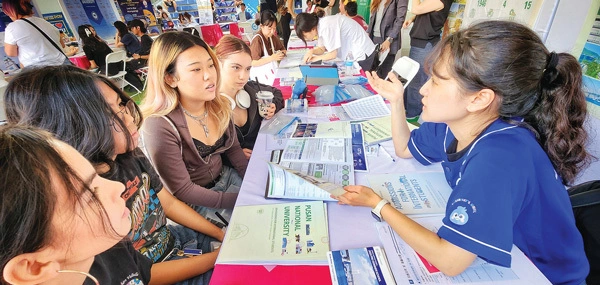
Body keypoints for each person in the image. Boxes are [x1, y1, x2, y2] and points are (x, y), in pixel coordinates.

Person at [337, 21, 590, 285]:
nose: (423, 89)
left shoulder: (502, 156)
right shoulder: (453, 124)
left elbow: (450, 261)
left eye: (436, 81)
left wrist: (378, 205)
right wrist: (396, 101)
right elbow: (403, 149)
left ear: (479, 99)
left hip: (539, 276)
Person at [4, 65, 225, 284]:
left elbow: (168, 203)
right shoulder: (84, 230)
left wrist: (219, 235)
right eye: (110, 112)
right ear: (74, 127)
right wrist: (216, 259)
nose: (128, 116)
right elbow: (141, 274)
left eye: (121, 104)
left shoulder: (129, 156)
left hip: (176, 245)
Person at [0, 125, 153, 285]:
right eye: (90, 196)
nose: (119, 187)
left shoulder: (107, 245)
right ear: (34, 267)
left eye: (96, 177)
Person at [141, 32, 248, 216]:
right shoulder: (159, 125)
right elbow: (183, 190)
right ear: (170, 78)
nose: (209, 76)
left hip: (227, 178)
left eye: (210, 65)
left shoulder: (218, 104)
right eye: (196, 69)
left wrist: (253, 182)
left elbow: (234, 150)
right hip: (196, 202)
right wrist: (240, 200)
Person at [215, 35, 284, 159]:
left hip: (263, 156)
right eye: (236, 68)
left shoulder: (252, 88)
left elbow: (277, 93)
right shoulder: (208, 106)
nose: (243, 76)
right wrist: (232, 156)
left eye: (247, 69)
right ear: (218, 65)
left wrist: (274, 106)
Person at [402, 0, 452, 120]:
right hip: (420, 43)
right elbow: (423, 12)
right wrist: (413, 19)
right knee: (413, 78)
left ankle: (413, 113)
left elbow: (417, 9)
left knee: (417, 80)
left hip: (425, 44)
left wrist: (415, 12)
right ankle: (410, 109)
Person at [295, 12, 376, 72]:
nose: (306, 39)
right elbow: (321, 49)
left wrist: (314, 59)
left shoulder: (326, 26)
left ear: (311, 29)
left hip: (362, 53)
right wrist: (311, 51)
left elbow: (333, 54)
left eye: (305, 36)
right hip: (353, 55)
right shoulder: (320, 26)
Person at [2, 0, 71, 67]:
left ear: (11, 11)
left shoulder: (12, 27)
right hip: (62, 65)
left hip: (40, 70)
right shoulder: (44, 22)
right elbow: (62, 44)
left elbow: (11, 53)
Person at [77, 25, 144, 90]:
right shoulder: (101, 42)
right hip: (119, 66)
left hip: (109, 70)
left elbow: (94, 65)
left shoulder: (86, 47)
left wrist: (87, 69)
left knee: (91, 76)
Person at [367, 0, 407, 78]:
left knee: (382, 74)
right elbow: (373, 17)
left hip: (388, 41)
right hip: (374, 39)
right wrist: (368, 32)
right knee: (371, 73)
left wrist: (389, 39)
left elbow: (400, 20)